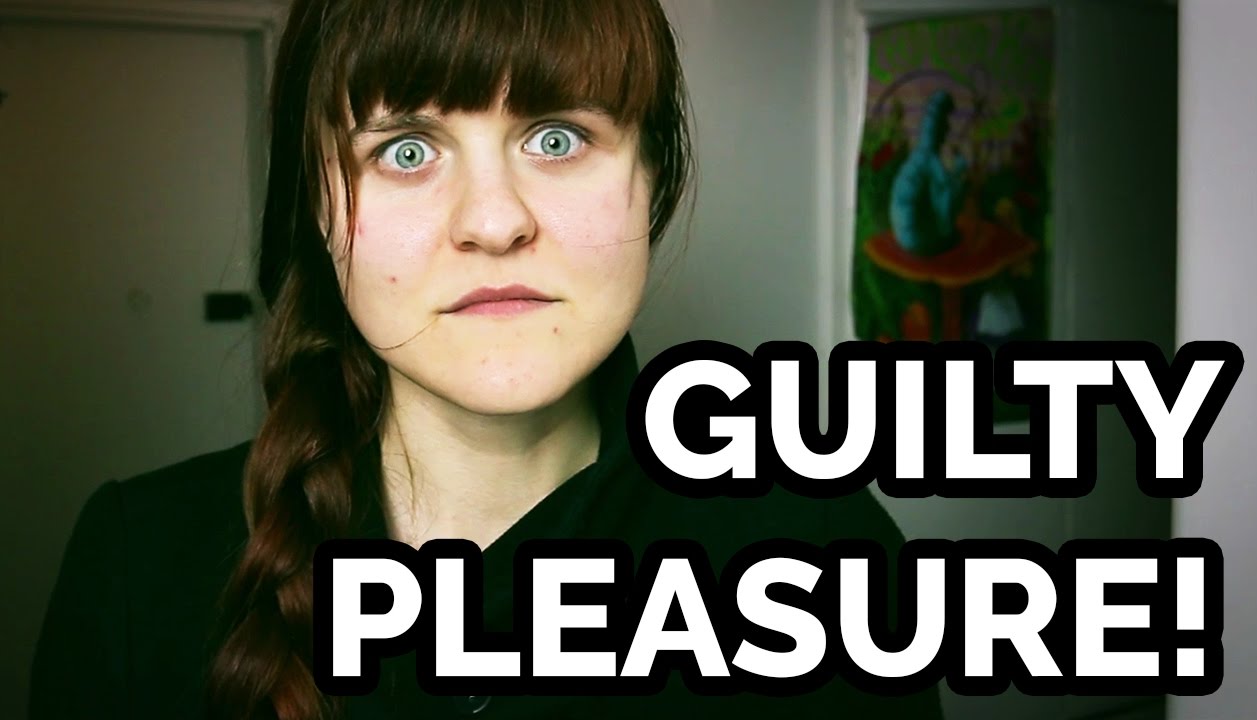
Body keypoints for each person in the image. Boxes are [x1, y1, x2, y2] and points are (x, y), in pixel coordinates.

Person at [30, 1, 944, 718]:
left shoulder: (823, 563)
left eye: (557, 139)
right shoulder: (135, 566)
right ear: (317, 209)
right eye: (406, 150)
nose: (494, 221)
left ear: (652, 178)